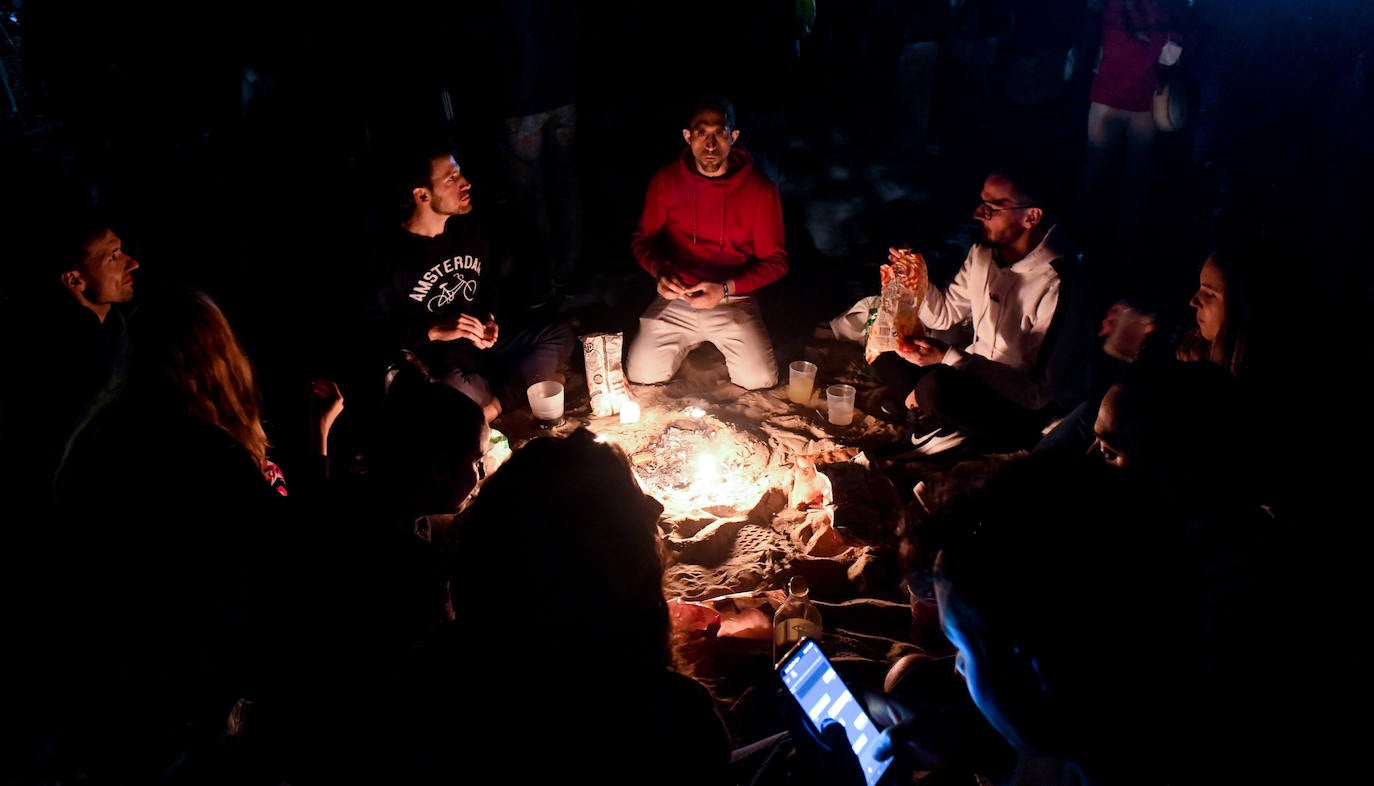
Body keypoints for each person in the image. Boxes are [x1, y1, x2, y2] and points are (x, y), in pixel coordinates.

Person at [45, 287, 310, 784]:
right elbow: (287, 551)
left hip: (103, 661)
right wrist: (318, 449)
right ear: (219, 359)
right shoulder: (207, 453)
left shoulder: (97, 436)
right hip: (183, 667)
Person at [380, 428, 734, 785]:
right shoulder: (670, 716)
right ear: (622, 567)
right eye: (642, 514)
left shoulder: (430, 674)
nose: (656, 512)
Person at [871, 166, 1091, 456]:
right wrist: (914, 279)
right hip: (970, 376)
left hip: (1021, 407)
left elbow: (1037, 393)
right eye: (982, 203)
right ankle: (934, 418)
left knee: (937, 386)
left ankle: (932, 417)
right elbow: (944, 314)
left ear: (1031, 217)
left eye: (993, 207)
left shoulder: (1058, 281)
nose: (979, 214)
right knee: (885, 352)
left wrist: (947, 358)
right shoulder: (983, 254)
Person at [372, 141, 576, 424]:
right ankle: (506, 395)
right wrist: (432, 331)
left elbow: (489, 286)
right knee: (446, 388)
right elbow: (376, 335)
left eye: (461, 174)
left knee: (559, 335)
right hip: (441, 364)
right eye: (451, 178)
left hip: (482, 351)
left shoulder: (470, 232)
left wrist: (488, 318)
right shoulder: (391, 259)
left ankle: (490, 408)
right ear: (422, 195)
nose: (465, 183)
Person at [626, 93, 789, 391]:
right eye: (702, 133)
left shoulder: (760, 189)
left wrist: (727, 288)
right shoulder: (666, 180)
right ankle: (688, 343)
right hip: (679, 295)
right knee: (641, 374)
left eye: (720, 133)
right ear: (688, 136)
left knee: (760, 380)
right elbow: (642, 240)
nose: (710, 145)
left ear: (734, 136)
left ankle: (724, 340)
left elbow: (776, 262)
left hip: (733, 296)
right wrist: (660, 274)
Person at [0, 205, 141, 503]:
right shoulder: (56, 357)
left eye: (122, 251)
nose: (132, 264)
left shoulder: (126, 333)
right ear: (74, 280)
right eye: (112, 257)